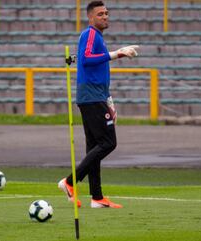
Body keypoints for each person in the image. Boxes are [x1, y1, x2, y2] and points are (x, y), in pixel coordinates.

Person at [58, 1, 139, 208]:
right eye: (101, 14)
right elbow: (86, 59)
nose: (105, 16)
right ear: (91, 17)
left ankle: (97, 197)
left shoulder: (97, 37)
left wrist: (109, 100)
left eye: (107, 13)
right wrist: (117, 53)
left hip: (96, 96)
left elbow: (98, 69)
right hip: (91, 97)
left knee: (94, 147)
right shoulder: (90, 34)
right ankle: (69, 181)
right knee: (108, 142)